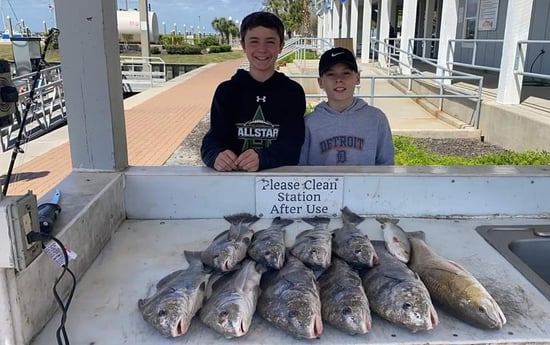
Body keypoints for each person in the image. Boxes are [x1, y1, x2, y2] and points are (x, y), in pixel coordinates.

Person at [200, 11, 306, 172]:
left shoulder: (292, 92)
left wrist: (263, 158)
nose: (262, 49)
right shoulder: (227, 91)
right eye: (254, 41)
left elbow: (292, 146)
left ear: (281, 46)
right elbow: (212, 141)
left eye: (270, 42)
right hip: (235, 182)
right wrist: (216, 156)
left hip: (277, 185)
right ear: (243, 45)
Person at [299, 47, 395, 165]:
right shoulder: (309, 123)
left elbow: (386, 165)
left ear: (357, 78)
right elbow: (300, 170)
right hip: (323, 184)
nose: (339, 79)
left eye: (346, 73)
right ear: (320, 82)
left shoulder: (376, 119)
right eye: (331, 74)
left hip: (366, 184)